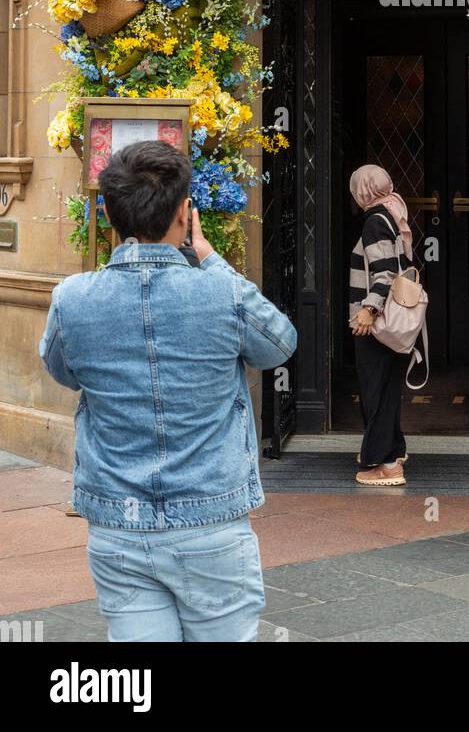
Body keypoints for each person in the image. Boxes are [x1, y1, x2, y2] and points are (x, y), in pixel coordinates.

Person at [39, 140, 297, 643]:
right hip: (211, 519)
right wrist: (212, 259)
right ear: (185, 213)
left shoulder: (72, 299)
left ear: (110, 215)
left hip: (118, 524)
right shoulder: (223, 292)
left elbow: (64, 371)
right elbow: (281, 343)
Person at [349, 164, 416, 487]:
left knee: (374, 390)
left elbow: (385, 271)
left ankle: (387, 464)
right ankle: (394, 450)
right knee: (387, 388)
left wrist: (367, 311)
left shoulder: (375, 221)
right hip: (393, 322)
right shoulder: (392, 211)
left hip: (377, 323)